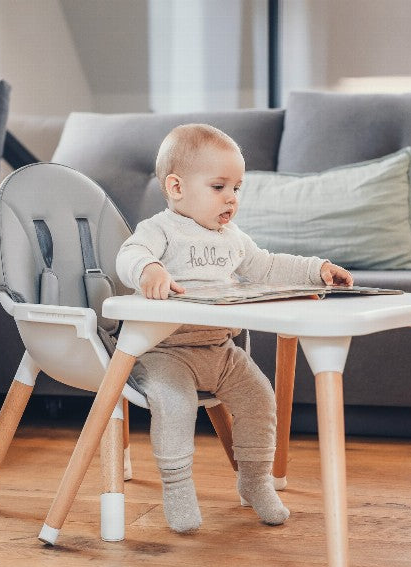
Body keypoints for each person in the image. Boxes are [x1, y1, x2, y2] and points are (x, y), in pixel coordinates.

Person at [115, 123, 353, 533]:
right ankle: (177, 486)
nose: (231, 198)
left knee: (261, 398)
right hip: (164, 352)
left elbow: (267, 266)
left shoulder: (232, 237)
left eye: (237, 188)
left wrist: (317, 270)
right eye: (219, 186)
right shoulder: (160, 229)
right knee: (175, 405)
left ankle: (255, 481)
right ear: (176, 187)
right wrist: (148, 268)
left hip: (220, 353)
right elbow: (128, 253)